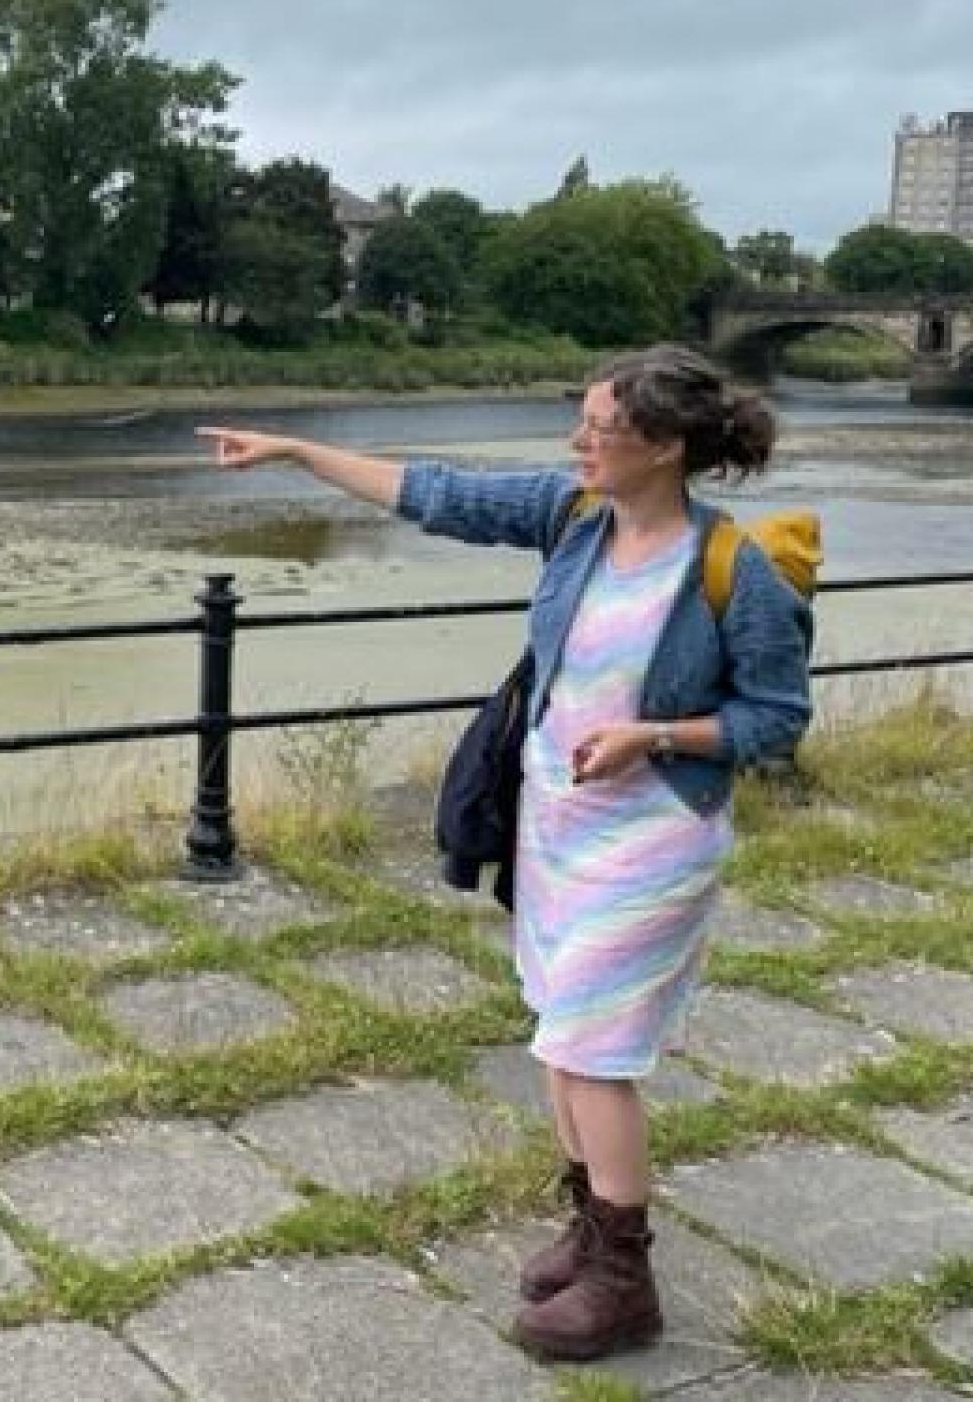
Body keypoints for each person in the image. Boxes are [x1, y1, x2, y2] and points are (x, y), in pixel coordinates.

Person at [199, 344, 811, 1362]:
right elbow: (436, 494)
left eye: (599, 429)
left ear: (661, 446)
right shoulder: (574, 520)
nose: (580, 443)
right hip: (561, 828)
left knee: (589, 1051)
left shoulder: (731, 570)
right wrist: (299, 452)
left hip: (655, 836)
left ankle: (626, 1281)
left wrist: (655, 735)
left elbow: (778, 717)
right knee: (559, 1041)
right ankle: (592, 1227)